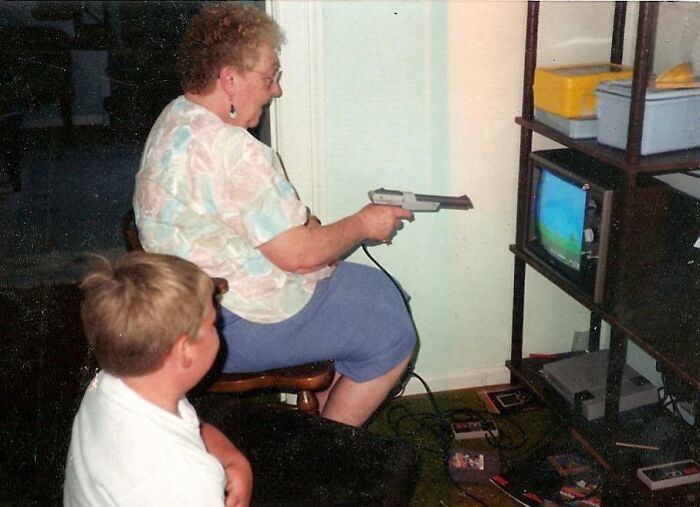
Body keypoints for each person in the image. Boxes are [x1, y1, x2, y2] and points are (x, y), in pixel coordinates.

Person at [133, 3, 417, 427]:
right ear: (229, 79)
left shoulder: (177, 116)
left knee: (375, 291)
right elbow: (299, 255)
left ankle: (316, 420)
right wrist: (362, 224)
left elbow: (247, 219)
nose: (276, 90)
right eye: (270, 77)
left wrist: (311, 238)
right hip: (225, 320)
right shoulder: (232, 150)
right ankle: (324, 452)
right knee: (392, 329)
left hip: (187, 302)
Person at [63, 252, 252, 507]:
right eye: (213, 323)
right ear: (185, 351)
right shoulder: (188, 480)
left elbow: (190, 425)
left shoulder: (112, 383)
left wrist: (232, 459)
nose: (217, 328)